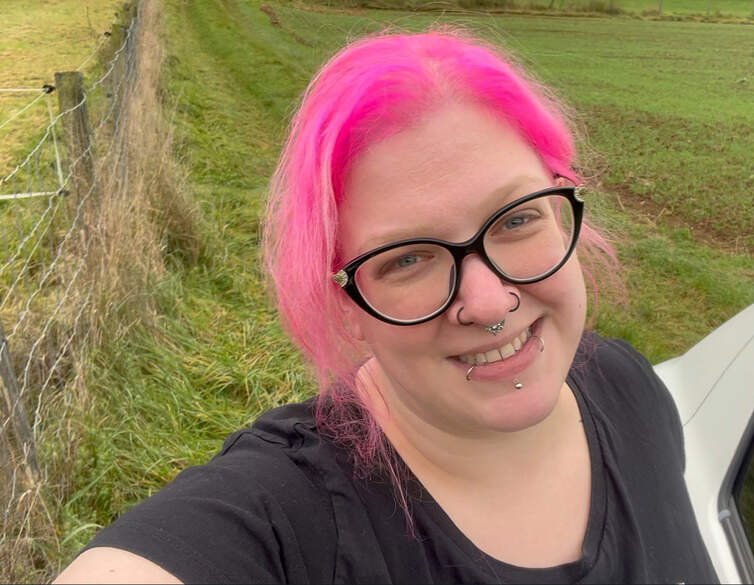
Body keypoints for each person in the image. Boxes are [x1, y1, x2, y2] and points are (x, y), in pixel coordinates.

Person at [56, 29, 718, 584]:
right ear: (346, 303)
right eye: (406, 260)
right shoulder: (293, 517)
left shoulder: (631, 387)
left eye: (517, 219)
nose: (489, 301)